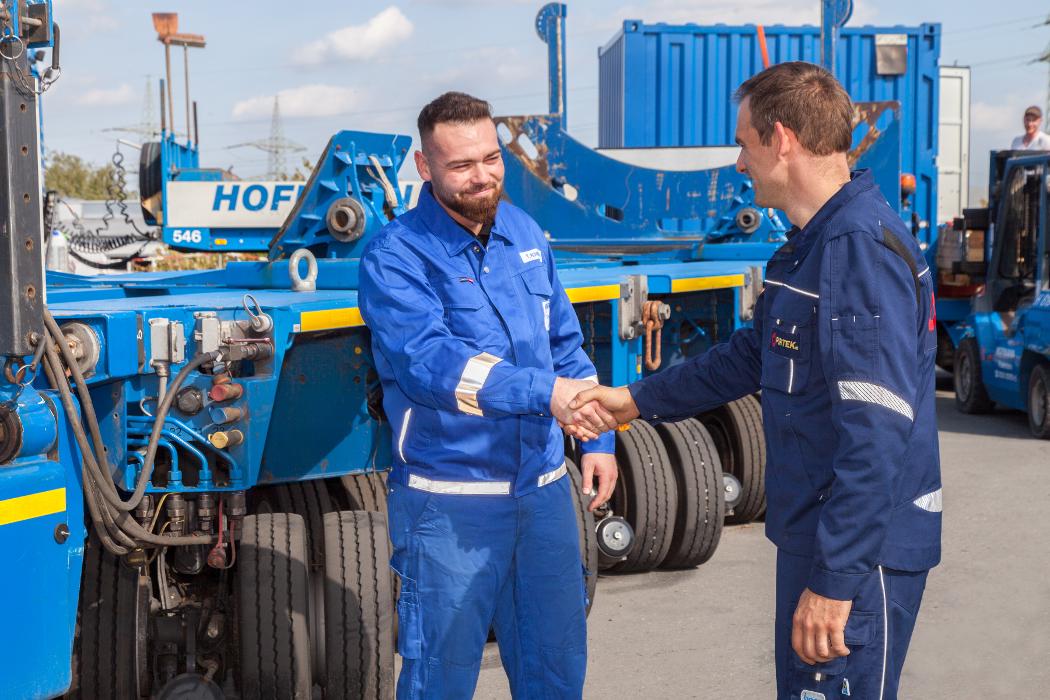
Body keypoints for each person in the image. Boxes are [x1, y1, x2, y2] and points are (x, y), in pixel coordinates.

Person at [567, 62, 941, 700]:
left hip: (859, 556)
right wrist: (630, 399)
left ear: (782, 139)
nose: (740, 163)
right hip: (824, 539)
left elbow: (876, 434)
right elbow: (750, 357)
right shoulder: (813, 245)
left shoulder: (857, 251)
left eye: (744, 144)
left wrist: (834, 582)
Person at [359, 91, 618, 700]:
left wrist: (598, 439)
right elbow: (432, 365)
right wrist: (545, 392)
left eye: (491, 158)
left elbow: (564, 345)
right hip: (452, 505)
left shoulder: (524, 232)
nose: (482, 176)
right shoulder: (395, 256)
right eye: (461, 165)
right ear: (424, 167)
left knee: (556, 672)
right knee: (440, 682)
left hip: (544, 495)